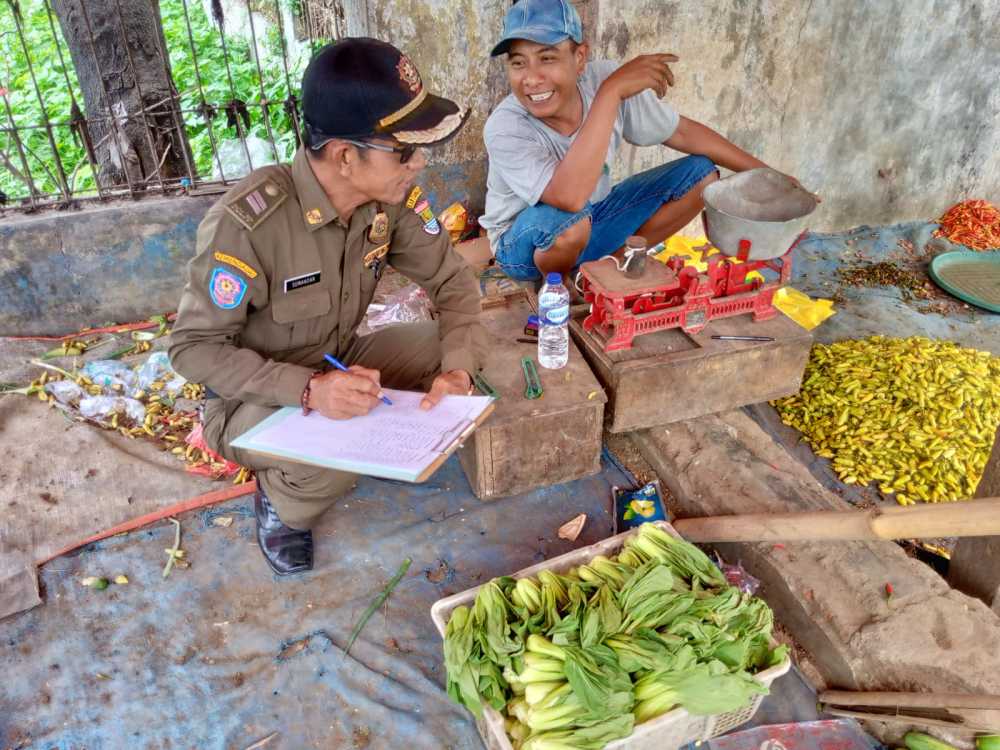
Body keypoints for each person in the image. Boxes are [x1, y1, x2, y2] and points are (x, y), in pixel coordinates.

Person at [169, 38, 486, 576]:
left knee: (457, 352)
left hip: (341, 357)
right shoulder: (249, 224)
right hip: (248, 400)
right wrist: (311, 391)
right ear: (344, 155)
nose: (419, 163)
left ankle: (343, 431)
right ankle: (283, 504)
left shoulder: (390, 201)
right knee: (341, 451)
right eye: (404, 151)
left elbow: (453, 285)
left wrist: (456, 371)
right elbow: (191, 349)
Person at [480, 0, 817, 283]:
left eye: (547, 58)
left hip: (592, 221)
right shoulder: (505, 126)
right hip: (524, 249)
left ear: (580, 57)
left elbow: (682, 133)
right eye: (518, 63)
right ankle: (557, 287)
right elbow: (567, 199)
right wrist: (611, 94)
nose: (532, 78)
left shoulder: (602, 78)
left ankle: (603, 270)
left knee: (702, 175)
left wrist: (770, 176)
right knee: (569, 220)